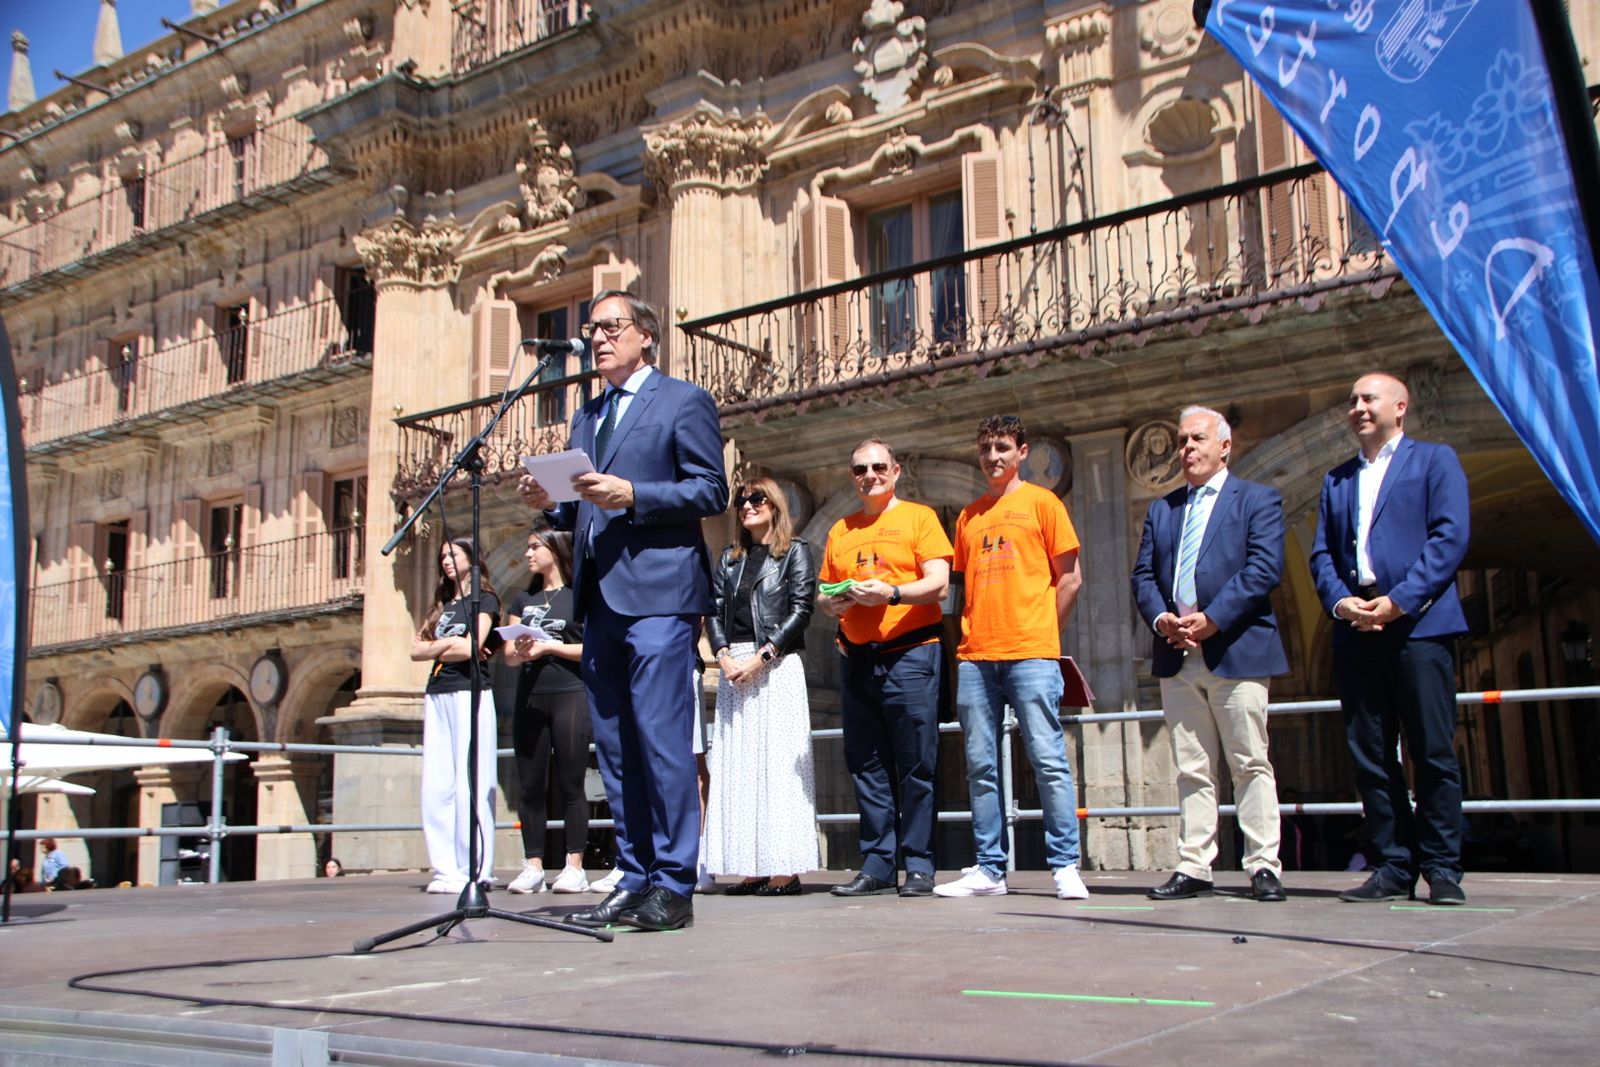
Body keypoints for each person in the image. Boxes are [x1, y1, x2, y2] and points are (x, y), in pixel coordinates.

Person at [518, 289, 728, 932]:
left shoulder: (682, 401)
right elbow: (577, 508)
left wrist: (634, 493)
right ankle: (634, 877)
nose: (597, 338)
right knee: (613, 745)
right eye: (591, 329)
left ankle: (674, 883)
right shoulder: (587, 417)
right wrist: (548, 499)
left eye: (611, 326)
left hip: (661, 595)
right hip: (601, 599)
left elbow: (710, 488)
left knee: (662, 740)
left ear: (646, 335)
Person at [1309, 372, 1471, 905]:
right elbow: (1323, 557)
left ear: (1399, 407)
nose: (1356, 406)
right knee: (1371, 753)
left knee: (1432, 750)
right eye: (1351, 399)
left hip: (1418, 625)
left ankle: (1443, 867)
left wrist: (1400, 600)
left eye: (1367, 398)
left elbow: (1449, 537)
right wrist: (1341, 603)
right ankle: (1393, 865)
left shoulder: (1433, 460)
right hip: (1358, 629)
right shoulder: (1336, 480)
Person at [1131, 406, 1289, 903]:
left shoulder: (1258, 500)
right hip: (1178, 655)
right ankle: (1195, 865)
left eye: (1197, 439)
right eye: (1181, 441)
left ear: (1225, 446)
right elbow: (1142, 577)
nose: (1186, 449)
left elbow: (1264, 568)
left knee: (1250, 762)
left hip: (1236, 650)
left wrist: (1213, 618)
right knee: (1191, 768)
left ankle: (1263, 864)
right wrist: (1163, 620)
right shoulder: (1164, 508)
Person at [934, 415, 1089, 900]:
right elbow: (963, 590)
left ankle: (1064, 865)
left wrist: (1043, 630)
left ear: (1022, 451)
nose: (993, 457)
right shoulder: (969, 516)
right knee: (980, 765)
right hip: (976, 657)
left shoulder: (1043, 504)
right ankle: (990, 868)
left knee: (1048, 760)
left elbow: (1070, 579)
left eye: (1002, 447)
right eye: (985, 449)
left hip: (1031, 655)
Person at [819, 439, 952, 898]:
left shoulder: (920, 517)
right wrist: (832, 603)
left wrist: (892, 594)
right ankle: (876, 865)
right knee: (867, 764)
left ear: (895, 471)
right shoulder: (840, 529)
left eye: (878, 467)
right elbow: (823, 592)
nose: (869, 475)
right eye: (860, 469)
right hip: (857, 656)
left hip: (911, 653)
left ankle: (918, 865)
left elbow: (938, 583)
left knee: (916, 763)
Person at [704, 476, 820, 896]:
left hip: (776, 664)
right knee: (739, 769)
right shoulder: (729, 557)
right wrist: (723, 655)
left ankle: (784, 870)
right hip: (735, 665)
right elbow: (713, 609)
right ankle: (750, 866)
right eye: (742, 500)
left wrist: (762, 657)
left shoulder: (795, 552)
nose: (748, 505)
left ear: (774, 505)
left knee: (779, 766)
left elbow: (802, 610)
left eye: (757, 499)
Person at [502, 526, 592, 895]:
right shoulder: (522, 599)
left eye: (535, 547)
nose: (528, 554)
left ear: (555, 550)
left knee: (571, 781)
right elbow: (507, 656)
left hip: (569, 692)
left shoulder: (578, 596)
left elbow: (591, 649)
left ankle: (575, 865)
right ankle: (534, 865)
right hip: (530, 695)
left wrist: (550, 647)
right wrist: (522, 649)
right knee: (530, 784)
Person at [411, 537, 500, 895]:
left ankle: (476, 866)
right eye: (442, 556)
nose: (446, 561)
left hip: (470, 691)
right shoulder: (443, 605)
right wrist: (449, 645)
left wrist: (443, 647)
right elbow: (415, 649)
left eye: (453, 555)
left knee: (472, 780)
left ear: (471, 559)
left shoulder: (486, 600)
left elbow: (471, 646)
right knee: (436, 785)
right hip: (438, 692)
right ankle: (445, 867)